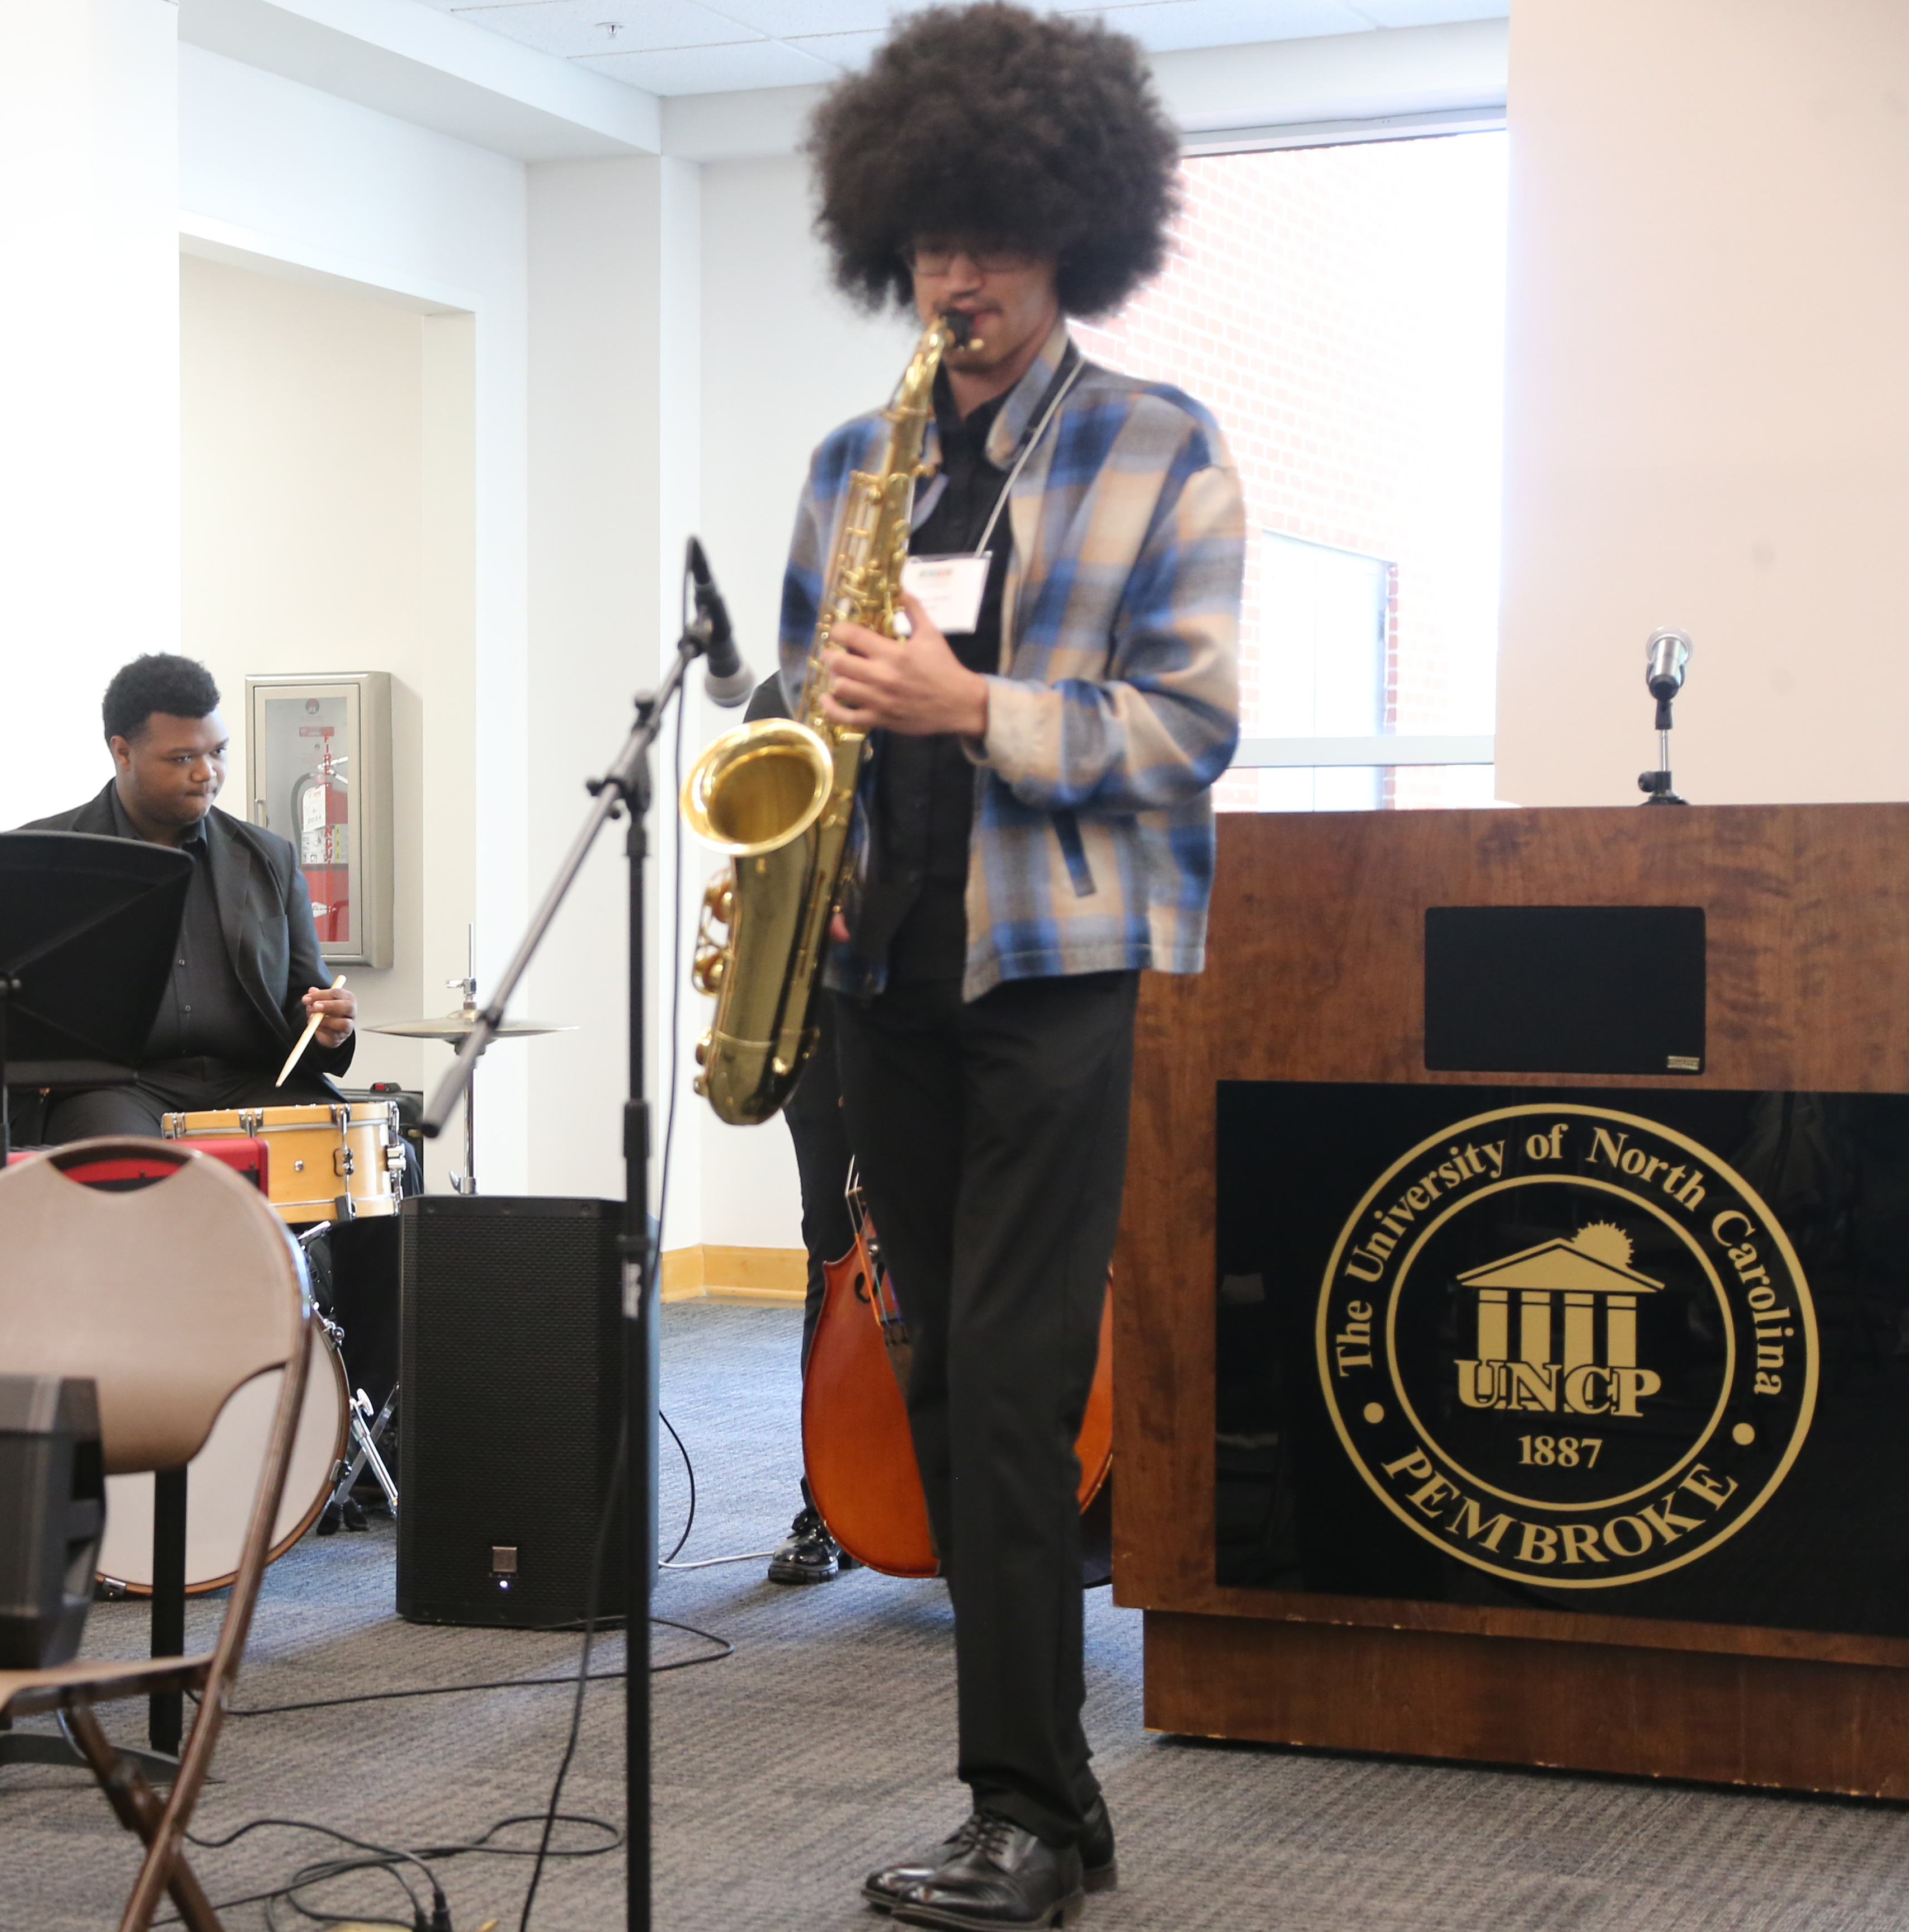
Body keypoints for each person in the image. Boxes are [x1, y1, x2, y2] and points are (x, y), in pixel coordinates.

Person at [786, 10, 1242, 1927]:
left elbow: (1189, 727)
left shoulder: (1162, 449)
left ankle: (1026, 1815)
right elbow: (801, 707)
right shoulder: (849, 462)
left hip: (1052, 971)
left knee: (1014, 1385)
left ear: (1077, 234)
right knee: (940, 1368)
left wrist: (974, 704)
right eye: (929, 241)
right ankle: (1048, 1793)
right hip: (876, 975)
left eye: (992, 235)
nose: (955, 275)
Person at [23, 654, 356, 1140]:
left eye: (218, 752)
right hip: (113, 1089)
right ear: (123, 752)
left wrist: (328, 1028)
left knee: (372, 1158)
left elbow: (301, 1004)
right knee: (126, 1167)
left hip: (255, 1081)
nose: (208, 773)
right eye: (183, 759)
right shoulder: (44, 858)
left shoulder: (269, 858)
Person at [744, 670, 859, 1589]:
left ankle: (966, 1499)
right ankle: (827, 1498)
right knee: (835, 1253)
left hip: (957, 1009)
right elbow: (759, 858)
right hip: (820, 1012)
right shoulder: (781, 698)